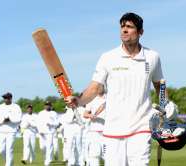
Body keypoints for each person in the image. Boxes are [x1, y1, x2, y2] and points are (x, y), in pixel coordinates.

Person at [66, 12, 165, 166]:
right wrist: (78, 100)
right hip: (113, 129)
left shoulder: (152, 57)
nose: (124, 30)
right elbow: (95, 87)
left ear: (140, 32)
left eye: (129, 27)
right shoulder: (108, 57)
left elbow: (160, 85)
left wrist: (166, 107)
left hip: (141, 128)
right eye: (122, 26)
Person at [0, 92, 22, 166]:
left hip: (12, 131)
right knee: (1, 150)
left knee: (9, 149)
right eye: (4, 98)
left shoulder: (16, 107)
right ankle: (9, 162)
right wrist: (2, 120)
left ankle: (8, 164)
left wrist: (10, 119)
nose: (5, 99)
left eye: (7, 98)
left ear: (10, 98)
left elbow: (19, 118)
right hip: (2, 130)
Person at [83, 92, 106, 166]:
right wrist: (91, 115)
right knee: (94, 154)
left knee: (108, 155)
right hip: (94, 131)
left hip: (107, 131)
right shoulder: (91, 100)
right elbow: (85, 114)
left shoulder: (110, 97)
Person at [37, 101, 59, 166]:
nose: (47, 106)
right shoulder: (41, 113)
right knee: (42, 147)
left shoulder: (54, 113)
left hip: (50, 132)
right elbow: (38, 123)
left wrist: (51, 124)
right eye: (46, 105)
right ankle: (46, 158)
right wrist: (39, 130)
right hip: (42, 133)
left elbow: (57, 123)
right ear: (44, 106)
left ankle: (48, 161)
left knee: (49, 146)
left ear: (51, 106)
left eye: (49, 105)